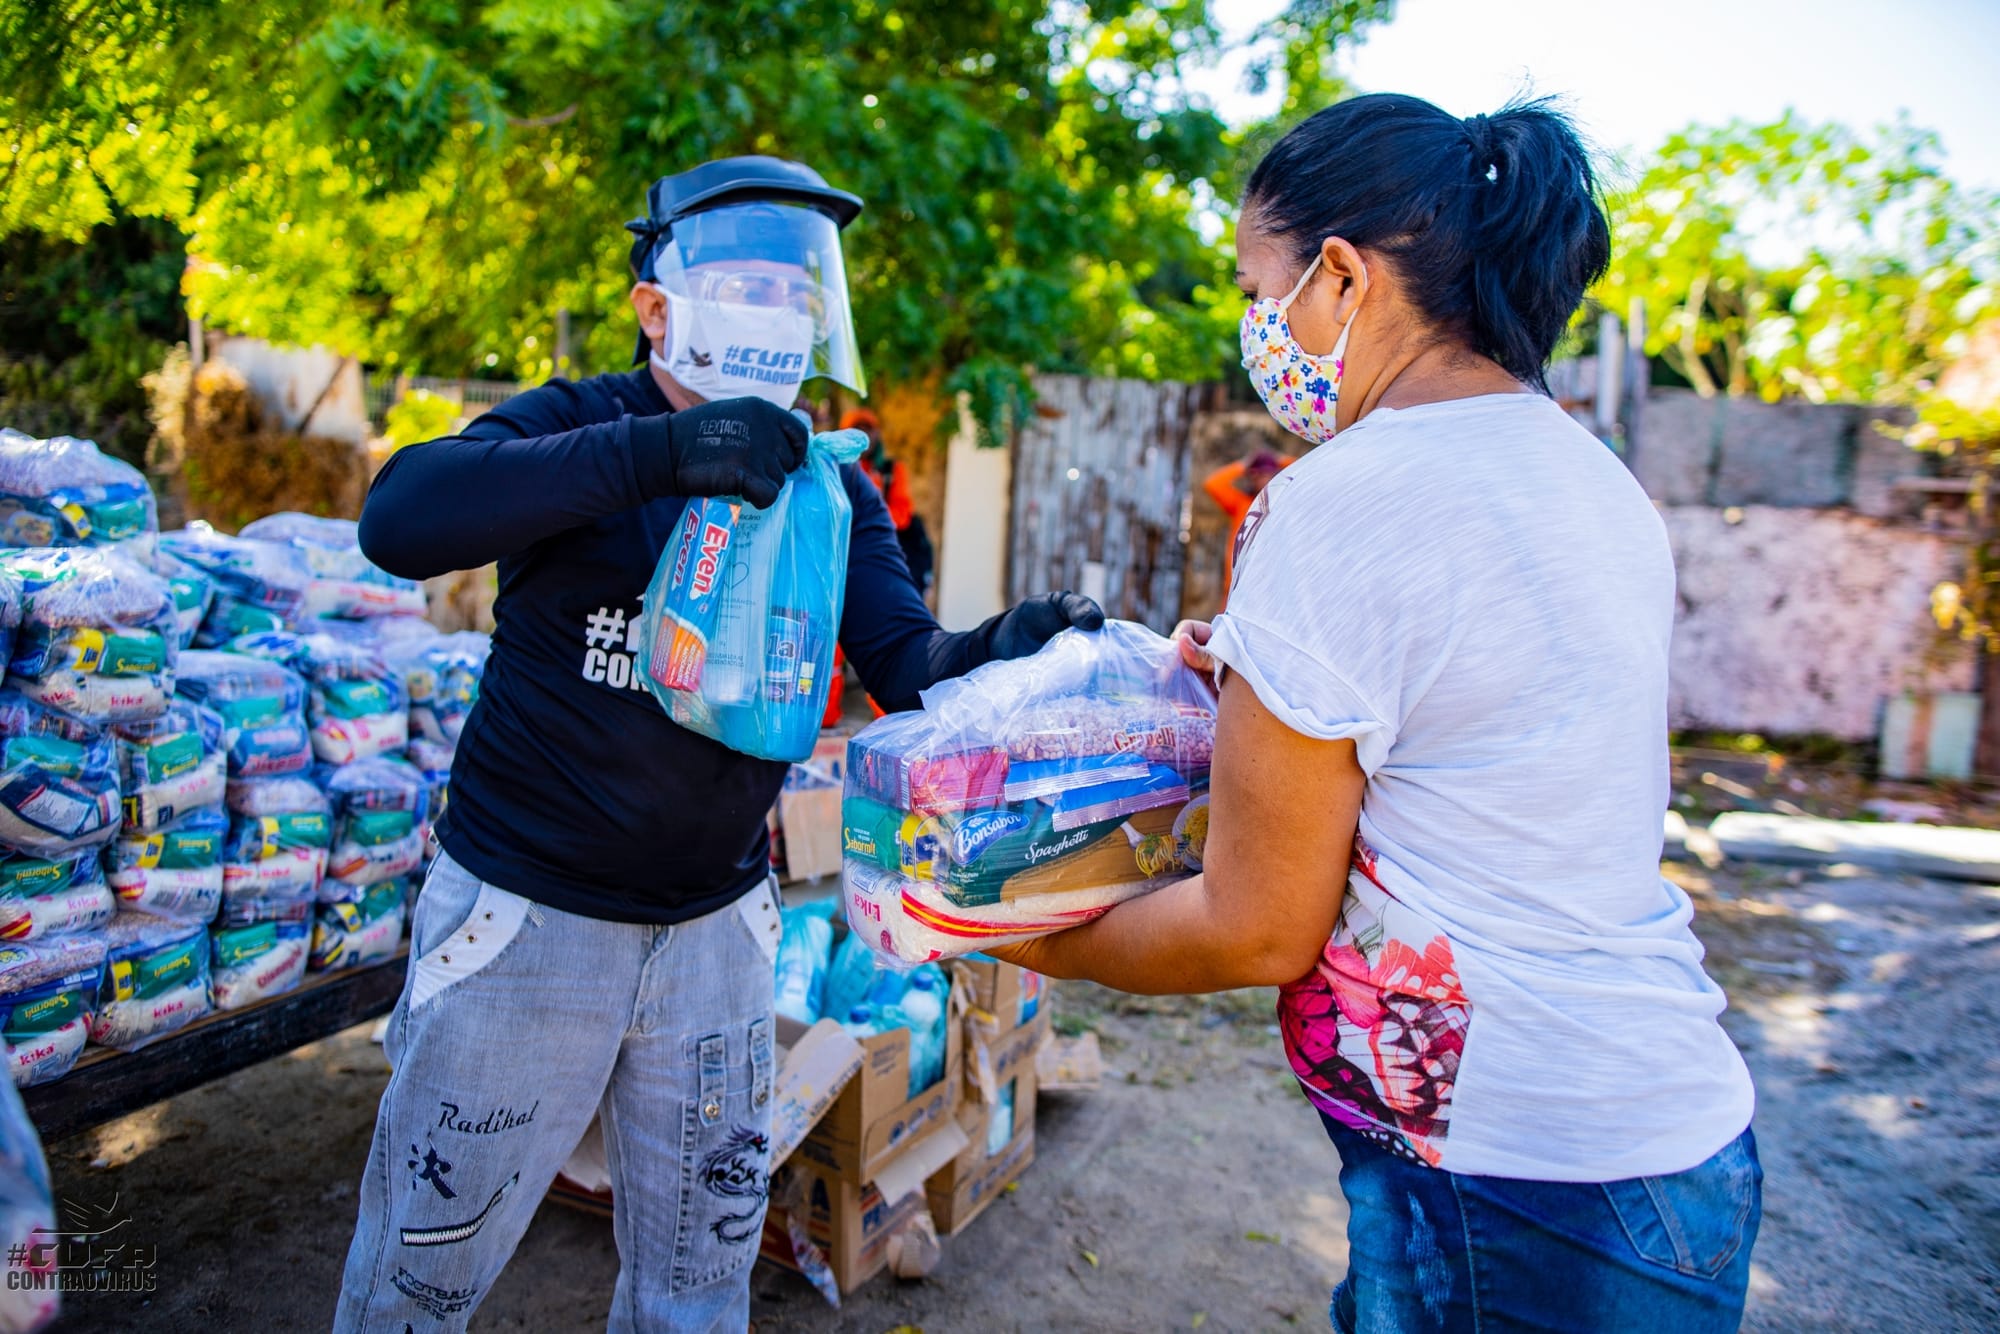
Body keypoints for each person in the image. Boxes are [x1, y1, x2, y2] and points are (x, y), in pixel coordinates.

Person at [989, 95, 1760, 1332]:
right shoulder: (1589, 476)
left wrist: (1004, 932)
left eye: (1257, 289)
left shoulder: (1342, 497)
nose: (1254, 326)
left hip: (1508, 1184)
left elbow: (1253, 927)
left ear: (1341, 277)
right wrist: (1255, 695)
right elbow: (1469, 742)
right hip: (1659, 1139)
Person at [334, 155, 1101, 1332]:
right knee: (417, 1281)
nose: (778, 312)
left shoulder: (822, 484)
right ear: (657, 306)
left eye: (797, 291)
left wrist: (1010, 646)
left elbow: (909, 663)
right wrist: (664, 453)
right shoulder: (582, 424)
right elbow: (400, 519)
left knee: (696, 1287)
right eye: (747, 285)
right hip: (526, 927)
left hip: (716, 940)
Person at [843, 407, 935, 596]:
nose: (863, 434)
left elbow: (902, 515)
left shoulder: (891, 471)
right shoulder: (838, 470)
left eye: (868, 429)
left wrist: (868, 519)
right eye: (856, 429)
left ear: (876, 434)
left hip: (878, 551)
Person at [1202, 448, 1293, 603]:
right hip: (1237, 585)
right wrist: (1244, 464)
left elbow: (1306, 469)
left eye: (1267, 474)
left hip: (1269, 584)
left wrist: (1280, 460)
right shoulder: (1240, 504)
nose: (1263, 480)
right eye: (1258, 475)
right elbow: (1213, 484)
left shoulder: (1282, 502)